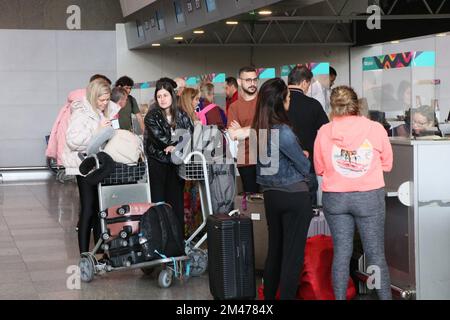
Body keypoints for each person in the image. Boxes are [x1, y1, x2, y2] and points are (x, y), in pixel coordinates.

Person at [314, 85, 393, 300]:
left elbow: (319, 169)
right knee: (375, 253)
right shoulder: (375, 129)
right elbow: (387, 164)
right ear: (356, 105)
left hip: (336, 199)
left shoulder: (324, 131)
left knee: (342, 253)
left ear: (333, 105)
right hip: (369, 198)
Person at [252, 78, 313, 300]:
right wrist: (303, 155)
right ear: (280, 102)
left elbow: (262, 168)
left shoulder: (257, 130)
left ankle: (268, 299)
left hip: (271, 196)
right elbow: (304, 166)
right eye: (287, 98)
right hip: (294, 196)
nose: (289, 101)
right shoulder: (284, 131)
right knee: (292, 257)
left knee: (275, 252)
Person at [62, 79, 114, 254]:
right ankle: (84, 253)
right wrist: (97, 131)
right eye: (102, 100)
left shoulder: (98, 111)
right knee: (88, 207)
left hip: (95, 164)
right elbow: (73, 140)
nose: (105, 103)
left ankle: (100, 252)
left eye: (107, 99)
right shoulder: (81, 112)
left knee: (100, 207)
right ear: (93, 96)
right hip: (83, 166)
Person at [144, 78, 194, 237]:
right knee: (159, 201)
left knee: (176, 202)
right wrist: (176, 144)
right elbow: (160, 141)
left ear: (172, 95)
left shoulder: (182, 114)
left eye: (165, 95)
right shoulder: (152, 116)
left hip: (176, 162)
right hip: (158, 162)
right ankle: (160, 238)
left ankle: (178, 240)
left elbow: (190, 135)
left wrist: (176, 147)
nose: (162, 99)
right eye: (159, 96)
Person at [287, 66, 329, 205]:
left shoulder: (276, 105)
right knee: (309, 212)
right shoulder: (313, 105)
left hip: (280, 168)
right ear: (304, 82)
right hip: (307, 165)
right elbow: (326, 132)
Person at [228, 66, 259, 193]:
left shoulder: (265, 101)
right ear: (239, 82)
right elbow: (233, 135)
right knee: (253, 203)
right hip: (245, 159)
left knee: (270, 201)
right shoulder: (234, 107)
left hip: (268, 156)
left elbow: (268, 126)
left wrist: (243, 130)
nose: (252, 83)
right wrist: (256, 127)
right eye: (248, 80)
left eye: (255, 80)